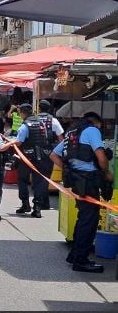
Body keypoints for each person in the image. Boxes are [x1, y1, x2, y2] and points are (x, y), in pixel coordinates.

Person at [50, 112, 113, 273]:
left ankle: (74, 254)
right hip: (89, 181)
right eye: (100, 126)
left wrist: (69, 169)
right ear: (96, 122)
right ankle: (81, 260)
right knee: (89, 220)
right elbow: (101, 158)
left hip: (77, 181)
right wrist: (107, 174)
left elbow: (53, 155)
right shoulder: (92, 130)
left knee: (83, 217)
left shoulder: (72, 133)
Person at [11, 103, 50, 218]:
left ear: (22, 113)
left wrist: (10, 142)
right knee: (39, 182)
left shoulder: (24, 126)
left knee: (22, 180)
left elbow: (19, 142)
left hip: (26, 157)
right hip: (42, 156)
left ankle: (25, 204)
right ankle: (37, 207)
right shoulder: (42, 123)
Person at [37, 99, 65, 209]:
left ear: (38, 108)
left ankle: (39, 202)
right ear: (49, 109)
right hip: (48, 152)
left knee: (37, 177)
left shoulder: (33, 120)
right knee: (46, 176)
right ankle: (44, 202)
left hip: (35, 152)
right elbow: (61, 138)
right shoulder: (53, 121)